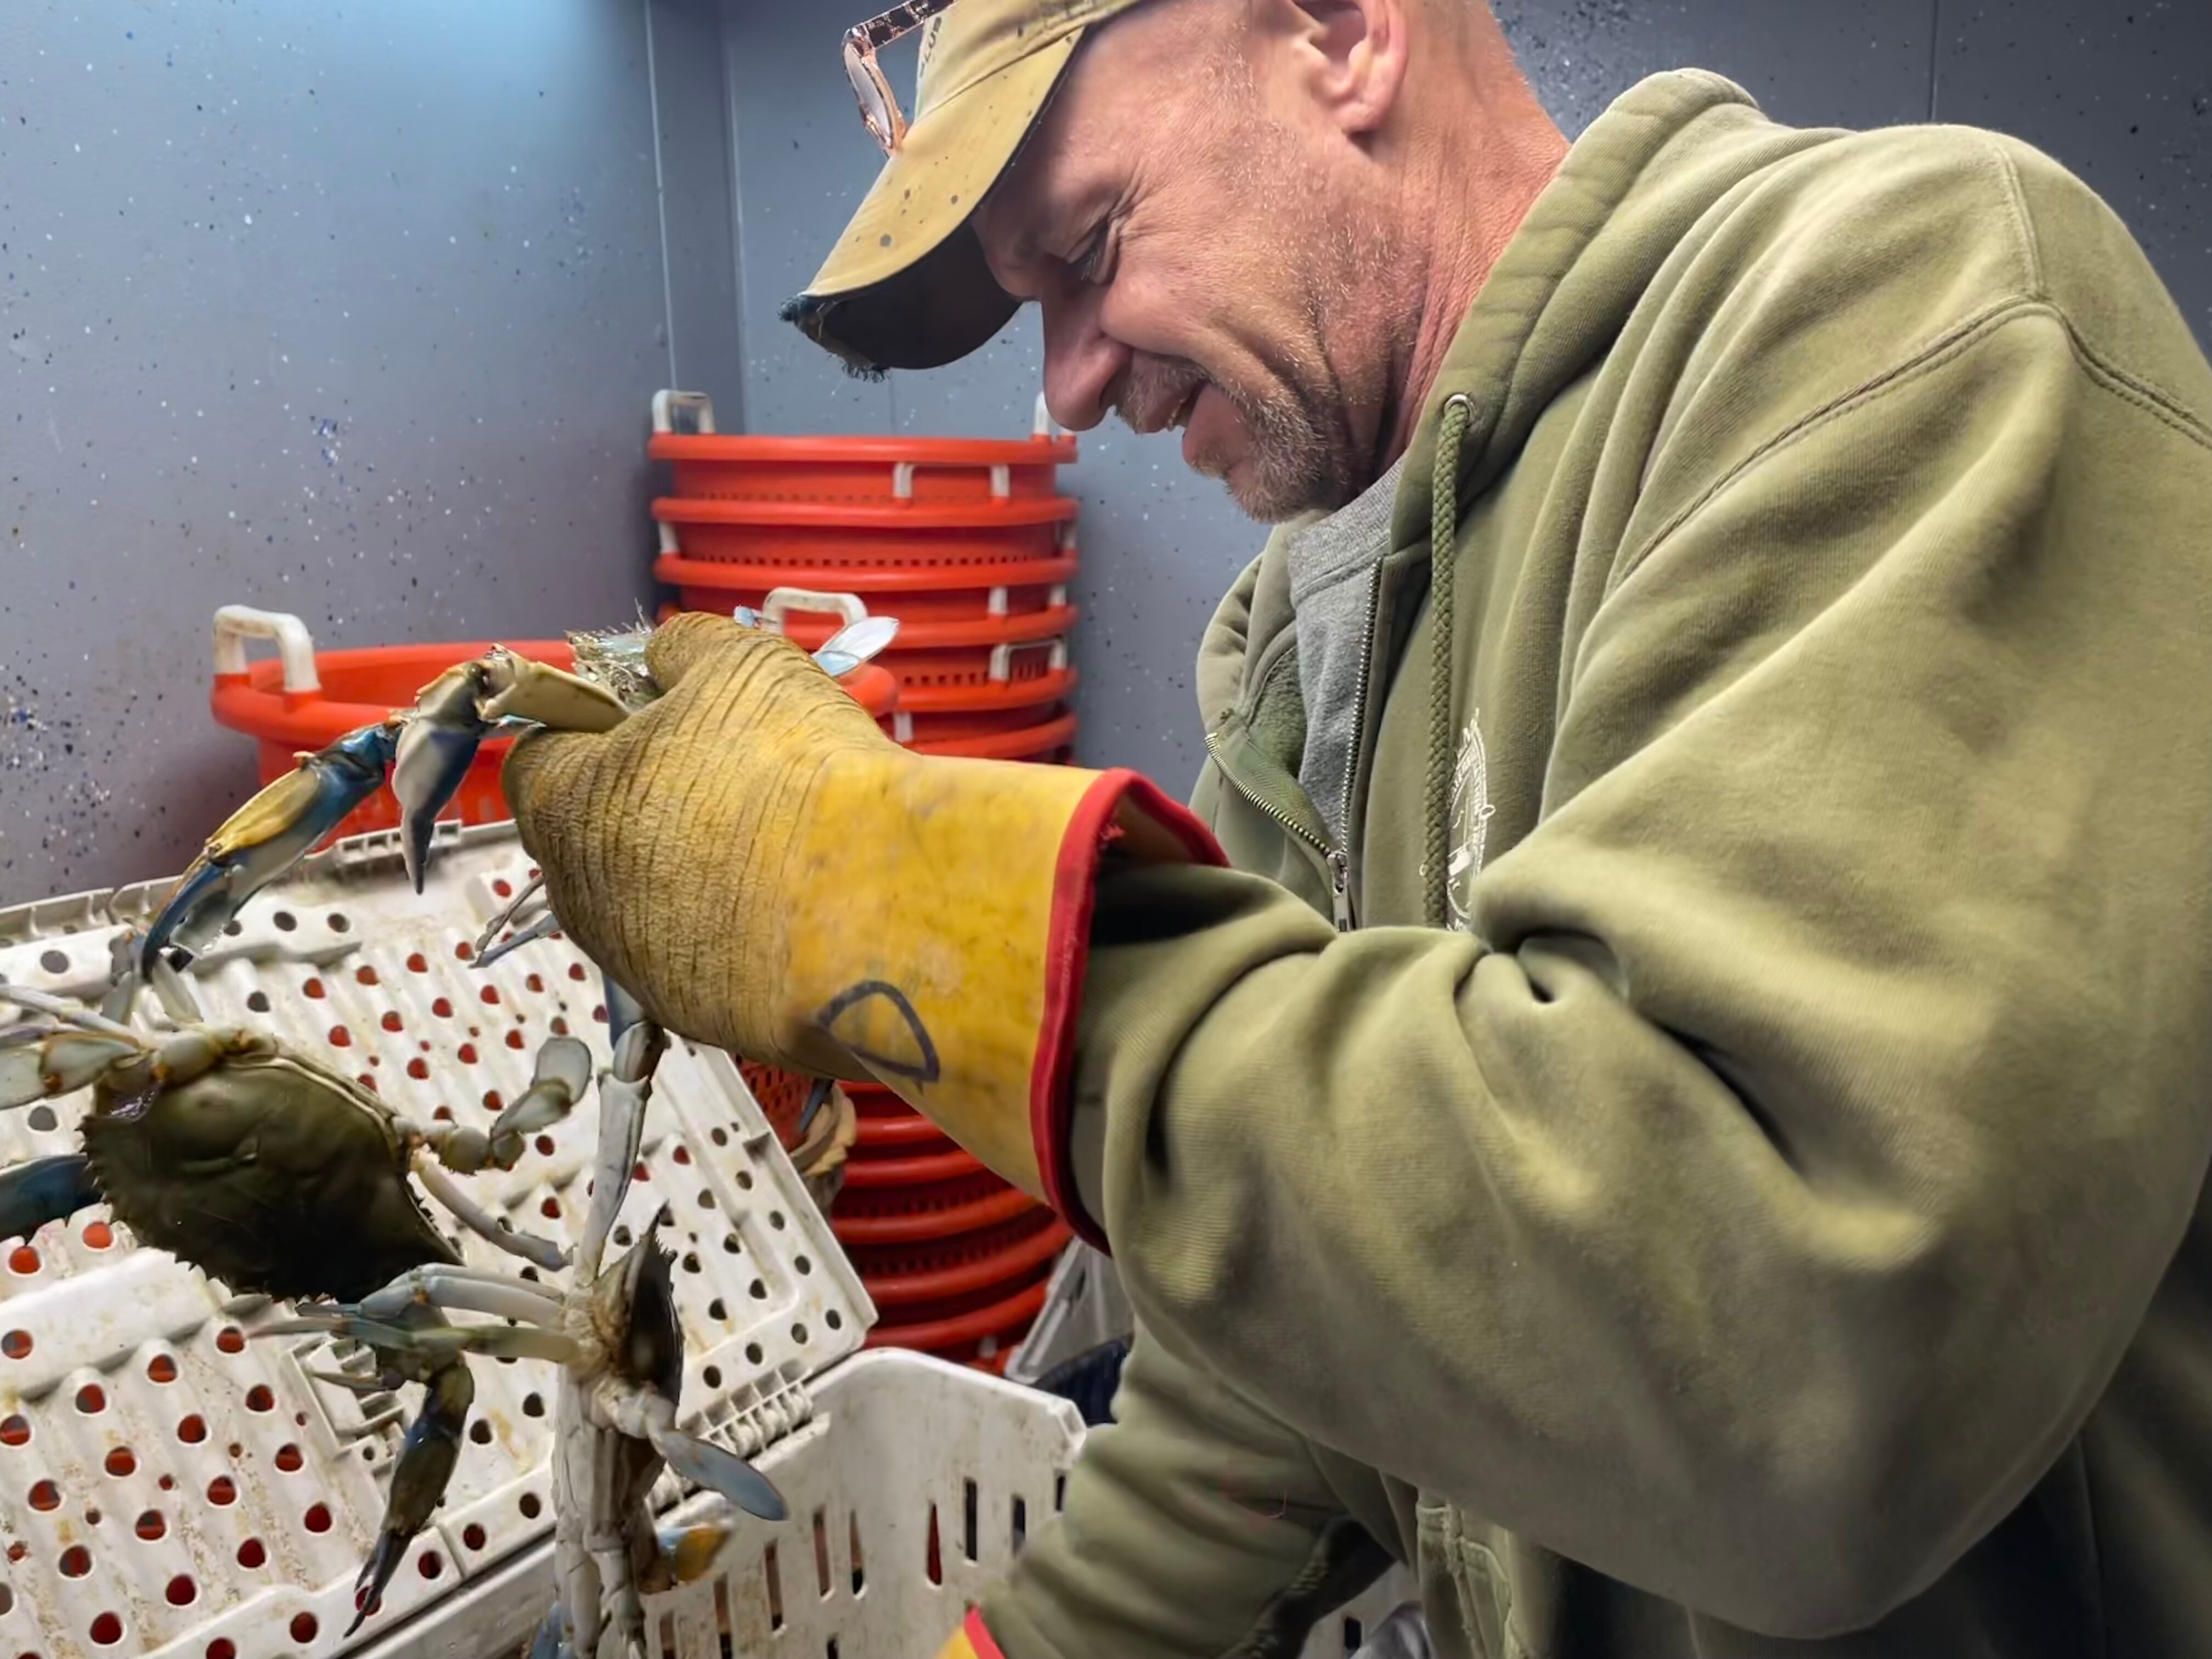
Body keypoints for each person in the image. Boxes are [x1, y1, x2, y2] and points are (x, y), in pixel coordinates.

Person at [501, 0, 2212, 1654]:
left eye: (1089, 253)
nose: (1070, 390)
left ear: (1341, 32)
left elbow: (1797, 1358)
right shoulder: (1304, 634)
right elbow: (1295, 1360)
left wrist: (877, 890)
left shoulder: (1905, 306)